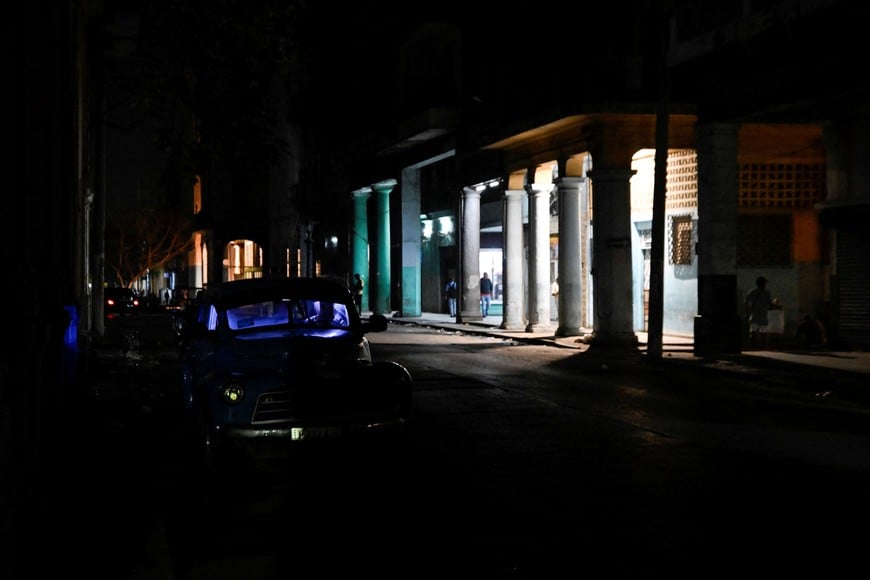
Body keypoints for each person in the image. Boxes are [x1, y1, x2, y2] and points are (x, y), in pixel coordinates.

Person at [744, 276, 773, 347]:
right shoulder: (767, 293)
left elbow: (748, 304)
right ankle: (763, 346)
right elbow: (769, 304)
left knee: (754, 332)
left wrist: (748, 314)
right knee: (763, 333)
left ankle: (756, 346)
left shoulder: (752, 292)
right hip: (763, 316)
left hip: (755, 315)